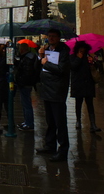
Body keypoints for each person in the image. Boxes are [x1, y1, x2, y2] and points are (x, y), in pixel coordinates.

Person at [36, 28, 71, 162]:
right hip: (46, 89)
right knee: (50, 121)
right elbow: (39, 67)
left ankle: (63, 150)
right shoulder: (47, 50)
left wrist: (47, 63)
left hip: (57, 91)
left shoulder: (64, 52)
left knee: (60, 122)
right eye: (49, 36)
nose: (51, 39)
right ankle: (50, 145)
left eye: (53, 36)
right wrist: (40, 56)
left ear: (58, 38)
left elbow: (61, 70)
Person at [70, 41, 101, 133]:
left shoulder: (88, 57)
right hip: (78, 83)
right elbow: (73, 67)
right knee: (78, 103)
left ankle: (93, 124)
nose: (82, 50)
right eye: (80, 49)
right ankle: (78, 121)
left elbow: (95, 68)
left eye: (83, 49)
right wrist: (79, 59)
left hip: (88, 83)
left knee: (90, 103)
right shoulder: (73, 57)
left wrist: (92, 63)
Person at [14, 43, 37, 131]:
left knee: (26, 104)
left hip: (25, 84)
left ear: (22, 49)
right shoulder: (28, 57)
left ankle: (29, 123)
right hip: (26, 83)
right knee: (25, 103)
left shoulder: (28, 58)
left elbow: (26, 72)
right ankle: (26, 121)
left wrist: (21, 82)